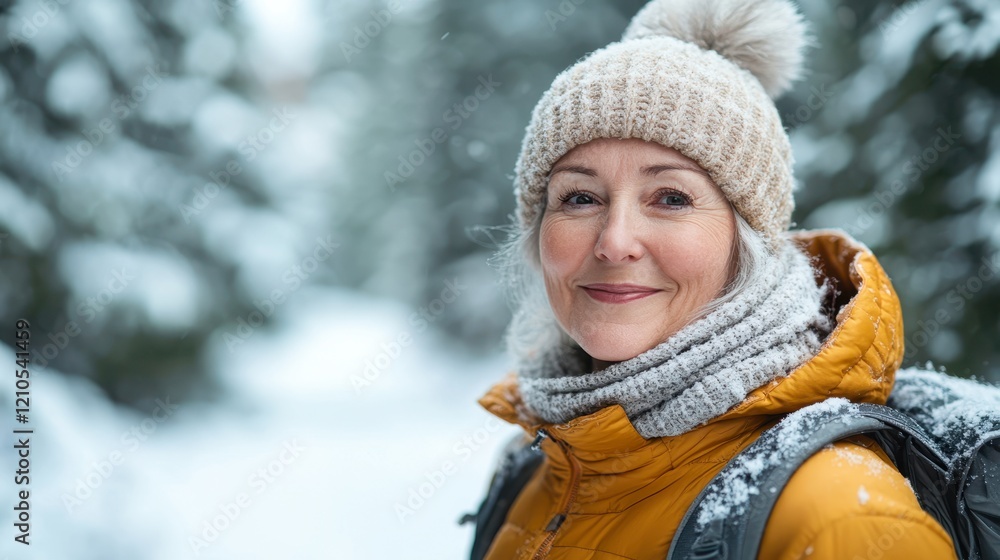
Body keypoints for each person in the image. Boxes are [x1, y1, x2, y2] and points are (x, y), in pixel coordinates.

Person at [472, 0, 960, 558]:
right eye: (580, 197)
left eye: (671, 198)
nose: (614, 241)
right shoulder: (533, 463)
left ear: (746, 240)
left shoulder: (838, 516)